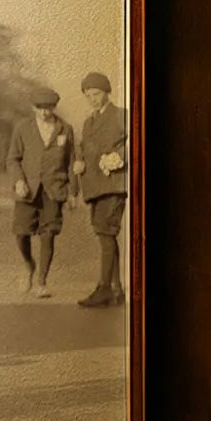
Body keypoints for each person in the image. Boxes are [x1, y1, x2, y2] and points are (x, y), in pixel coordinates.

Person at [5, 83, 75, 298]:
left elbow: (72, 162)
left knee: (49, 234)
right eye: (40, 108)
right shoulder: (23, 128)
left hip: (54, 189)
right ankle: (29, 265)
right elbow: (13, 159)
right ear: (33, 108)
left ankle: (42, 282)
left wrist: (73, 192)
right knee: (21, 233)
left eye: (49, 108)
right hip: (27, 190)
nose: (45, 112)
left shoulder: (65, 129)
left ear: (54, 107)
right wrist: (18, 181)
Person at [72, 70, 129, 307]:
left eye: (96, 94)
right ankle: (116, 290)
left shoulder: (121, 115)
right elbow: (83, 150)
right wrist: (80, 162)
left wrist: (120, 157)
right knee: (105, 235)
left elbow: (138, 139)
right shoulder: (89, 122)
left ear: (107, 92)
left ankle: (104, 288)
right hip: (94, 186)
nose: (93, 99)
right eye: (88, 95)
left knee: (106, 233)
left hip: (113, 185)